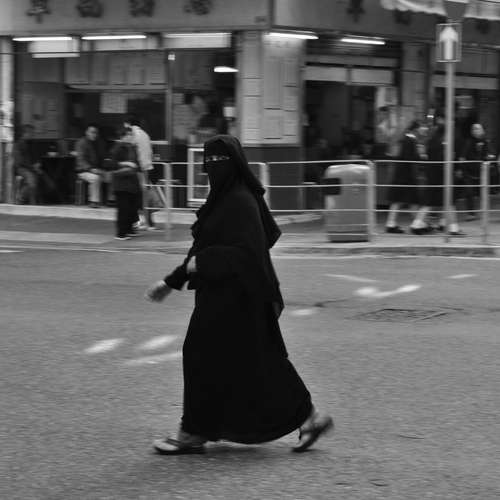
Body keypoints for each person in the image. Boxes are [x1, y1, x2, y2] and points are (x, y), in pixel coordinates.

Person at [145, 135, 333, 455]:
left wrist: (205, 262)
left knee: (207, 355)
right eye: (209, 161)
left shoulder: (241, 201)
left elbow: (247, 253)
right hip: (221, 295)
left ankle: (193, 432)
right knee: (256, 361)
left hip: (242, 296)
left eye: (220, 160)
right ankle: (310, 418)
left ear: (235, 163)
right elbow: (199, 249)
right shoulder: (221, 199)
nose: (213, 166)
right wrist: (170, 282)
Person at [385, 120, 433, 235]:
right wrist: (422, 156)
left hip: (403, 175)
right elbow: (410, 158)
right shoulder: (410, 140)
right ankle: (418, 224)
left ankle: (392, 223)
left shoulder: (407, 139)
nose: (425, 129)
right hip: (406, 176)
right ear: (416, 129)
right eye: (422, 127)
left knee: (401, 200)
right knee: (411, 200)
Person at [426, 123, 465, 236]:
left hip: (437, 176)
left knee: (441, 202)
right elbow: (443, 160)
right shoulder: (441, 143)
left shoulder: (434, 141)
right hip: (442, 176)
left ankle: (442, 224)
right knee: (448, 201)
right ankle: (453, 228)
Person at [123, 115, 157, 230]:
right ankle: (148, 222)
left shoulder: (133, 134)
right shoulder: (145, 134)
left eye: (125, 124)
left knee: (138, 196)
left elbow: (128, 149)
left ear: (129, 124)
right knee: (144, 195)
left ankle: (144, 222)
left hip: (138, 169)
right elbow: (150, 152)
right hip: (147, 168)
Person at [109, 127, 141, 240]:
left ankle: (129, 230)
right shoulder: (117, 148)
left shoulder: (132, 147)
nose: (131, 137)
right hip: (121, 184)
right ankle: (121, 233)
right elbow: (112, 164)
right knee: (123, 209)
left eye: (132, 135)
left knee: (131, 208)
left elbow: (137, 164)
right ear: (123, 136)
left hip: (132, 182)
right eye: (129, 135)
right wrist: (127, 163)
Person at [458, 123, 490, 221]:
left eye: (478, 129)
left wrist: (488, 158)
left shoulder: (485, 141)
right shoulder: (468, 142)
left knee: (483, 192)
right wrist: (461, 168)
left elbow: (488, 154)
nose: (476, 130)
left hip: (481, 171)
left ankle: (484, 211)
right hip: (469, 171)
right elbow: (462, 156)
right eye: (474, 129)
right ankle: (471, 214)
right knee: (469, 192)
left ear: (482, 131)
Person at [75, 124, 106, 208]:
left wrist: (104, 168)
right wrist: (91, 169)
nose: (94, 134)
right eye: (92, 132)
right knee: (95, 178)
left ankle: (111, 200)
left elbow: (102, 158)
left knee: (113, 175)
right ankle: (93, 201)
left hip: (97, 169)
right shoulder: (81, 143)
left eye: (96, 133)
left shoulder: (99, 143)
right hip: (83, 171)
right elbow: (81, 160)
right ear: (87, 132)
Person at [13, 124, 41, 204]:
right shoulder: (18, 145)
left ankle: (32, 202)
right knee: (31, 180)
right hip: (21, 168)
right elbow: (20, 161)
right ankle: (20, 198)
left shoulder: (32, 143)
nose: (33, 135)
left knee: (36, 180)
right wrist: (33, 167)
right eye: (32, 133)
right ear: (25, 133)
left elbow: (36, 155)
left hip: (30, 168)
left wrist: (38, 163)